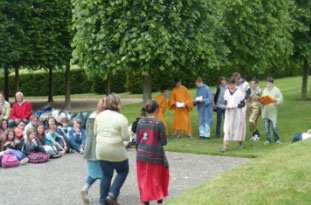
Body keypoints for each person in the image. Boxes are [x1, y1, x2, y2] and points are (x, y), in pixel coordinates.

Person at [95, 93, 130, 205]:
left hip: (101, 149)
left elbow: (95, 132)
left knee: (106, 175)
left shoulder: (99, 116)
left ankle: (102, 201)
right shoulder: (121, 118)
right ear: (118, 103)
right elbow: (126, 137)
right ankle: (112, 194)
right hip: (116, 150)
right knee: (123, 171)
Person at [136, 100, 169, 205]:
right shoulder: (159, 123)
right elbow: (164, 142)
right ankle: (159, 201)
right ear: (157, 110)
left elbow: (137, 141)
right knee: (157, 180)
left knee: (144, 180)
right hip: (156, 157)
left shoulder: (140, 122)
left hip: (141, 156)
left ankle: (145, 201)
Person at [81, 99, 104, 203]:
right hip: (100, 148)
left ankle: (85, 187)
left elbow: (87, 133)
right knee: (105, 174)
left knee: (93, 173)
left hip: (90, 147)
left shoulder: (91, 116)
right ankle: (103, 198)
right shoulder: (103, 118)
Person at [221, 77, 246, 152]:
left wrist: (237, 106)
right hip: (229, 113)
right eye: (229, 85)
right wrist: (224, 106)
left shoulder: (239, 92)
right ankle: (225, 147)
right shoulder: (226, 92)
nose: (230, 86)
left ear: (235, 84)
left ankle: (240, 144)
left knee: (239, 129)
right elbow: (225, 102)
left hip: (238, 114)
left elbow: (243, 103)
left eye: (232, 85)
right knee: (227, 129)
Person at [261, 77, 284, 145]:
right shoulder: (264, 90)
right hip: (265, 111)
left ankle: (277, 139)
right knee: (266, 127)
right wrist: (262, 101)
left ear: (272, 83)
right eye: (267, 83)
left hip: (273, 111)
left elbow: (281, 99)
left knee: (274, 126)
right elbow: (262, 99)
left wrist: (275, 100)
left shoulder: (276, 90)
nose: (267, 84)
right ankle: (268, 140)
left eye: (269, 83)